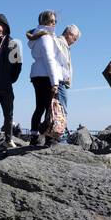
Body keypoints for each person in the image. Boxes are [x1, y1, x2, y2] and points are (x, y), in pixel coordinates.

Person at [26, 10, 63, 147]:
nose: (54, 23)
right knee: (50, 107)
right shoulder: (46, 37)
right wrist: (55, 82)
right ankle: (49, 138)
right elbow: (49, 59)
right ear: (44, 22)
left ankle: (34, 136)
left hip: (36, 75)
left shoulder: (36, 36)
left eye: (55, 21)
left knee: (39, 107)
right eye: (51, 21)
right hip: (46, 75)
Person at [54, 24, 79, 142]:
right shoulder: (60, 43)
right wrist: (65, 77)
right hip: (59, 81)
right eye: (75, 39)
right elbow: (60, 63)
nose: (74, 42)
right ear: (70, 34)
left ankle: (55, 135)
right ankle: (61, 137)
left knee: (56, 108)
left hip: (59, 81)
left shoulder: (62, 44)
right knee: (62, 109)